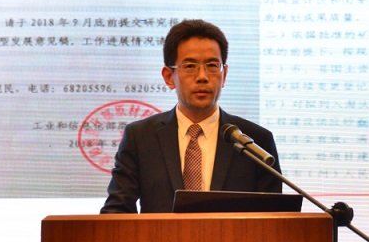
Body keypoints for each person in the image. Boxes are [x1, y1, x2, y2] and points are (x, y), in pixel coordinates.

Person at [101, 19, 282, 213]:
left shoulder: (256, 142)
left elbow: (273, 219)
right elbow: (116, 212)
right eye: (190, 66)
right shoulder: (140, 137)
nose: (202, 76)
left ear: (224, 75)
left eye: (212, 65)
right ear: (169, 77)